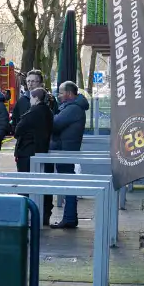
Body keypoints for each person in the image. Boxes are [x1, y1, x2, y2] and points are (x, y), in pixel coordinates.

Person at [49, 81, 90, 229]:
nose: (58, 96)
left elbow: (54, 124)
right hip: (66, 149)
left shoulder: (72, 109)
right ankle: (69, 217)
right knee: (67, 183)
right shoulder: (73, 107)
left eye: (60, 92)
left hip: (65, 151)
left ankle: (70, 218)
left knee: (68, 184)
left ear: (69, 94)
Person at [13, 87, 53, 173]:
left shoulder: (31, 113)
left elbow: (18, 130)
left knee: (25, 176)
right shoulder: (48, 111)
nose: (30, 101)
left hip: (27, 150)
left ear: (36, 98)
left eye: (31, 98)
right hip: (42, 150)